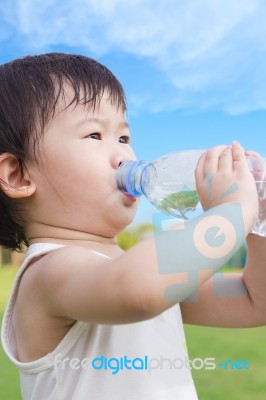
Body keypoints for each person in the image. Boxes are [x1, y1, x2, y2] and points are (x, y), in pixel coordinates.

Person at [0, 53, 265, 400]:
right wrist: (230, 211)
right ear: (19, 175)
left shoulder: (150, 277)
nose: (125, 155)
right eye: (95, 135)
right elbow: (137, 288)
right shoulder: (48, 273)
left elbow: (253, 300)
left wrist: (256, 221)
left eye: (124, 138)